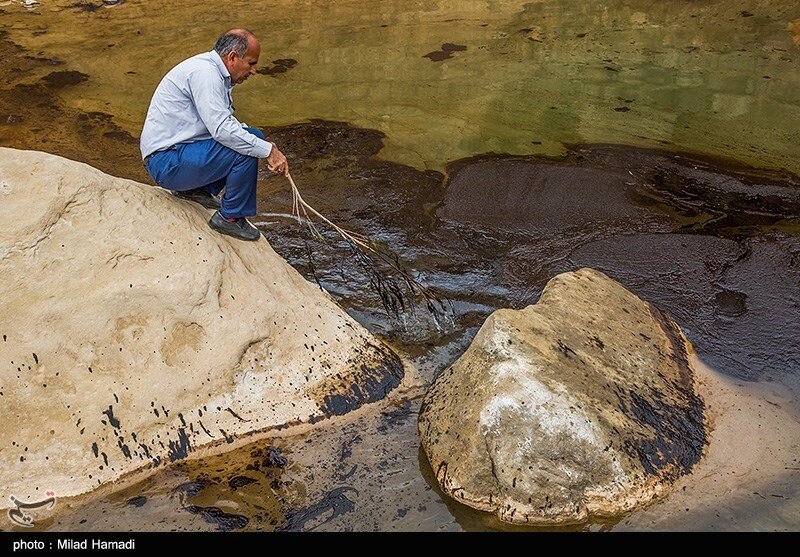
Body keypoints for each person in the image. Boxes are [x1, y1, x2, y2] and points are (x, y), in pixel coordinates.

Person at [139, 28, 288, 241]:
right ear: (232, 57)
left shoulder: (210, 70)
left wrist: (262, 144)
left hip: (172, 155)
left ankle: (194, 190)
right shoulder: (206, 74)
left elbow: (224, 124)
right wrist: (268, 151)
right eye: (251, 63)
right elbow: (222, 130)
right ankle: (230, 219)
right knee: (245, 151)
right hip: (166, 162)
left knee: (253, 136)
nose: (254, 71)